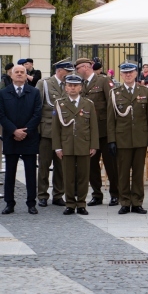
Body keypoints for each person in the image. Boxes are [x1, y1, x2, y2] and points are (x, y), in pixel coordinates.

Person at [107, 62, 148, 215]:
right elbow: (110, 119)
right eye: (125, 73)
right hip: (122, 139)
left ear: (136, 74)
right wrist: (112, 140)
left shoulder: (145, 91)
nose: (128, 75)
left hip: (140, 138)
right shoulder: (115, 93)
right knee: (122, 173)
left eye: (131, 72)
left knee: (138, 173)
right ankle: (125, 201)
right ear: (121, 75)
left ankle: (137, 202)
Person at [52, 74, 99, 216]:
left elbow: (93, 127)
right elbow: (56, 128)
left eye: (75, 85)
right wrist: (57, 147)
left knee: (83, 176)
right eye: (70, 85)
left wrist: (94, 145)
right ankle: (70, 204)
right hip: (66, 145)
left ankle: (82, 204)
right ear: (65, 88)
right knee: (68, 176)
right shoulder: (59, 104)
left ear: (80, 87)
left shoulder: (88, 104)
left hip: (84, 144)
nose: (72, 88)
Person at [75, 57, 118, 207]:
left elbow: (112, 105)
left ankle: (115, 193)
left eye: (78, 68)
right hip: (87, 132)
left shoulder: (103, 81)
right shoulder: (80, 84)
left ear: (86, 67)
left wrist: (113, 133)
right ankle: (97, 194)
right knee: (91, 166)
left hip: (104, 131)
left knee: (110, 164)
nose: (77, 71)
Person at [0, 64, 41, 215]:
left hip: (29, 138)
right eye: (16, 72)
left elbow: (37, 114)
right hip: (11, 138)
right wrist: (14, 131)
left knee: (31, 173)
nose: (19, 74)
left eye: (22, 72)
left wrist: (25, 131)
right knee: (10, 173)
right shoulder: (3, 93)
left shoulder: (34, 92)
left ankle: (31, 203)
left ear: (26, 75)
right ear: (11, 75)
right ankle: (9, 203)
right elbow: (1, 115)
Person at [35, 60, 75, 208]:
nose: (70, 74)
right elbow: (37, 107)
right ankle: (42, 195)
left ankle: (58, 194)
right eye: (67, 71)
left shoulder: (69, 84)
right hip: (47, 130)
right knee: (44, 165)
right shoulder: (44, 83)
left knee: (61, 166)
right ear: (59, 70)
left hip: (64, 131)